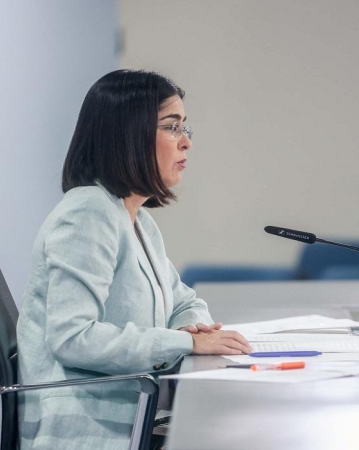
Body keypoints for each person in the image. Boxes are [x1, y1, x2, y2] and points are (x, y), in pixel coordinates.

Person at [16, 69, 252, 449]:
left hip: (129, 418)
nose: (186, 143)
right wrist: (185, 345)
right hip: (85, 434)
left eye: (185, 129)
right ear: (129, 134)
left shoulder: (136, 217)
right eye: (172, 127)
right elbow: (73, 338)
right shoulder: (88, 214)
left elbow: (184, 300)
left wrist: (195, 330)